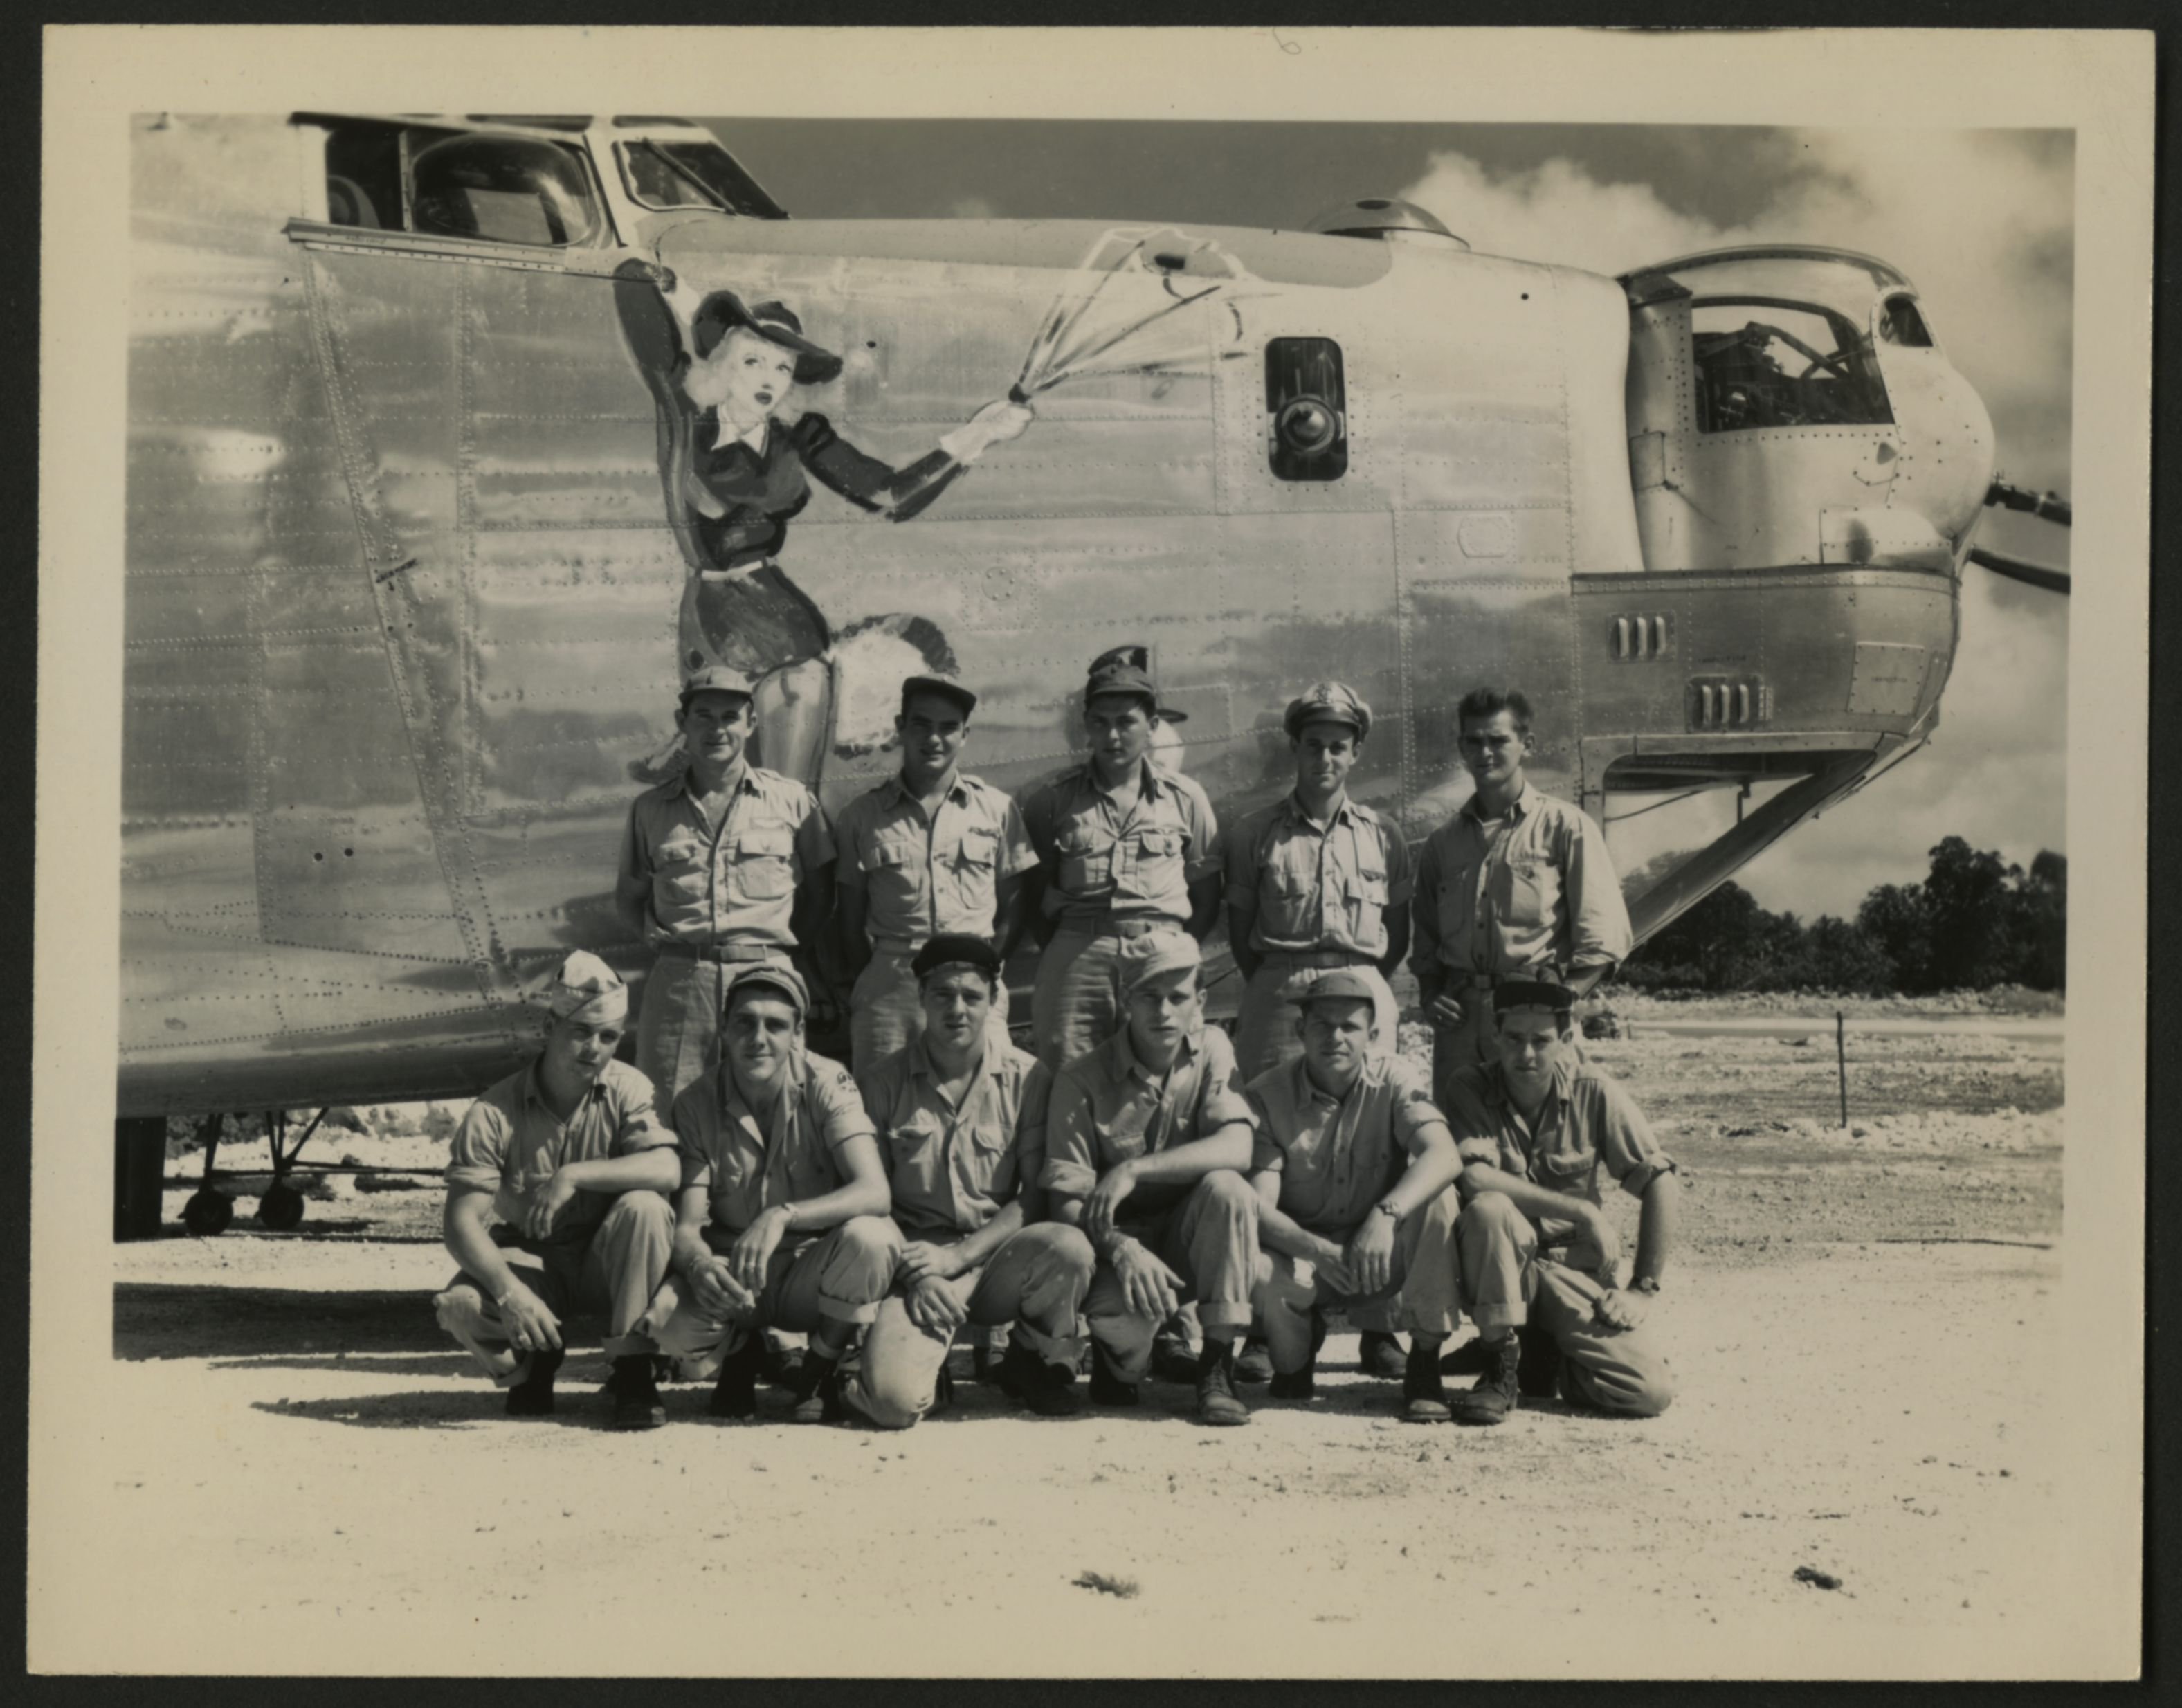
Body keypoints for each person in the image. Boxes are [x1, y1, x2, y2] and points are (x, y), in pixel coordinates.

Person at [634, 287, 1033, 785]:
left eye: (782, 369)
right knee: (728, 759)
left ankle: (790, 832)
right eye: (753, 361)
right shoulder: (686, 420)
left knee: (790, 761)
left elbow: (887, 495)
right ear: (721, 363)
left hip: (776, 613)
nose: (769, 380)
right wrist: (653, 280)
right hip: (714, 608)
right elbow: (649, 337)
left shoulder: (800, 435)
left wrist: (975, 437)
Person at [837, 935, 1095, 1428]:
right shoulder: (881, 1084)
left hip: (996, 1257)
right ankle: (908, 1371)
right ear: (920, 998)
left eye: (972, 997)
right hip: (914, 1262)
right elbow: (871, 1202)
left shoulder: (1029, 1078)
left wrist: (960, 1256)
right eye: (942, 995)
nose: (957, 1010)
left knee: (1068, 1246)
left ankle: (1030, 1359)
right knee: (892, 1405)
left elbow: (1034, 1195)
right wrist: (922, 1272)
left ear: (994, 1001)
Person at [634, 963, 902, 1424]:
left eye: (775, 1025)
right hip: (737, 1275)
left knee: (872, 1238)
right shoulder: (696, 1102)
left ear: (798, 1034)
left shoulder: (826, 1083)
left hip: (807, 1270)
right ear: (723, 1029)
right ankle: (742, 1351)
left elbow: (874, 1191)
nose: (758, 1037)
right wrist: (698, 1267)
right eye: (744, 1021)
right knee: (669, 1325)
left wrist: (782, 1215)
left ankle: (818, 1365)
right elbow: (688, 1226)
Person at [433, 952, 680, 1430]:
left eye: (608, 1037)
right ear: (550, 1027)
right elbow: (460, 1224)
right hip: (534, 1262)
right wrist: (511, 1296)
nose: (593, 1049)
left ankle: (632, 1370)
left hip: (607, 1260)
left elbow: (667, 1168)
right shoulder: (494, 1110)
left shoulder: (629, 1089)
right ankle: (534, 1361)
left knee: (645, 1207)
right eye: (580, 1032)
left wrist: (573, 1176)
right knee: (458, 1307)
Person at [1041, 936, 1264, 1427]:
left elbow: (1237, 1148)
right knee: (1124, 1365)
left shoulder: (1213, 1049)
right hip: (1117, 1254)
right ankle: (1118, 1360)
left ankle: (1217, 1366)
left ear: (1200, 1003)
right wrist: (1122, 1250)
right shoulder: (1080, 1079)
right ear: (1124, 1000)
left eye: (1178, 997)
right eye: (1147, 996)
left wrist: (1133, 1167)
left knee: (1228, 1188)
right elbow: (1064, 1204)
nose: (1163, 1011)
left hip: (1187, 1241)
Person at [1439, 979, 1680, 1426]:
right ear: (1494, 1035)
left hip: (1569, 1273)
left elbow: (1658, 1179)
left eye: (1540, 1040)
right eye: (1513, 1038)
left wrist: (1641, 1289)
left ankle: (1546, 1354)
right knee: (1489, 1209)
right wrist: (1583, 1210)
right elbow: (1473, 1177)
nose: (1525, 1054)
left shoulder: (1595, 1091)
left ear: (1565, 1041)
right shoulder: (1468, 1085)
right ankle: (1496, 1364)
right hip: (1499, 1268)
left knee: (1648, 1392)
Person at [1243, 971, 1466, 1422]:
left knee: (1438, 1200)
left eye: (1349, 1026)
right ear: (1299, 1030)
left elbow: (1444, 1155)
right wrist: (1318, 1251)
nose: (1335, 1037)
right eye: (1322, 1025)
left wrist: (1386, 1216)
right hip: (1307, 1256)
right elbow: (1259, 1211)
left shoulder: (1395, 1078)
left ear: (1373, 1034)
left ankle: (1424, 1363)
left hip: (1378, 1256)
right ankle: (1299, 1345)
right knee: (1262, 1268)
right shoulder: (1266, 1096)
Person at [617, 665, 837, 1115]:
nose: (717, 729)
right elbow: (629, 895)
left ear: (751, 724)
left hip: (765, 982)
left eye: (729, 717)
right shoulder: (651, 810)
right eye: (703, 716)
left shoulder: (791, 801)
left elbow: (821, 892)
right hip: (681, 987)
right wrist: (653, 937)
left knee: (775, 1114)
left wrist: (779, 953)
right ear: (683, 724)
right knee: (668, 1116)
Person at [1410, 687, 1632, 1106]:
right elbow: (1425, 939)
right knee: (1459, 1149)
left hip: (1532, 1017)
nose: (1485, 752)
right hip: (1459, 1024)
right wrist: (1429, 993)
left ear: (1526, 745)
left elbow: (1605, 940)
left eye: (1498, 740)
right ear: (1461, 748)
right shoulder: (1442, 844)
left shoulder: (1566, 827)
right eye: (1473, 741)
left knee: (1544, 1145)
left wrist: (1558, 1005)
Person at [1017, 645, 1223, 1072]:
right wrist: (1075, 946)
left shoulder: (1185, 799)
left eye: (1126, 722)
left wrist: (1172, 947)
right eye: (1100, 723)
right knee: (1069, 1079)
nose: (1113, 736)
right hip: (1079, 962)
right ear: (1086, 727)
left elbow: (1205, 894)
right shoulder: (1053, 801)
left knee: (1163, 1081)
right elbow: (1035, 894)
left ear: (1152, 725)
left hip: (1159, 961)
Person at [831, 673, 1037, 1074]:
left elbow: (1013, 909)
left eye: (948, 728)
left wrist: (984, 969)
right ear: (900, 728)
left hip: (973, 982)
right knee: (882, 1103)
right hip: (892, 990)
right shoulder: (862, 816)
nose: (934, 739)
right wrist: (876, 980)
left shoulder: (996, 810)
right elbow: (849, 919)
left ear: (965, 735)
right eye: (922, 724)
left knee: (988, 1099)